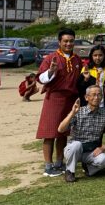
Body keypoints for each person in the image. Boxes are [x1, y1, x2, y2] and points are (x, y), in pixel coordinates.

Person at [37, 28, 83, 177]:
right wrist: (51, 71)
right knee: (49, 133)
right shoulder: (51, 58)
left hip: (70, 99)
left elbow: (79, 79)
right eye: (65, 41)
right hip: (54, 98)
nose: (68, 44)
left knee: (63, 133)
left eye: (71, 41)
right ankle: (48, 166)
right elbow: (41, 78)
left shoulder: (77, 59)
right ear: (59, 42)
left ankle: (59, 162)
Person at [58, 86, 105, 182]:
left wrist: (104, 147)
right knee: (76, 144)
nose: (96, 97)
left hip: (91, 151)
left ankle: (89, 169)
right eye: (93, 95)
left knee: (104, 160)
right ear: (86, 97)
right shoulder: (78, 112)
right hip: (74, 150)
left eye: (99, 94)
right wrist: (72, 113)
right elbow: (60, 129)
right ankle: (70, 171)